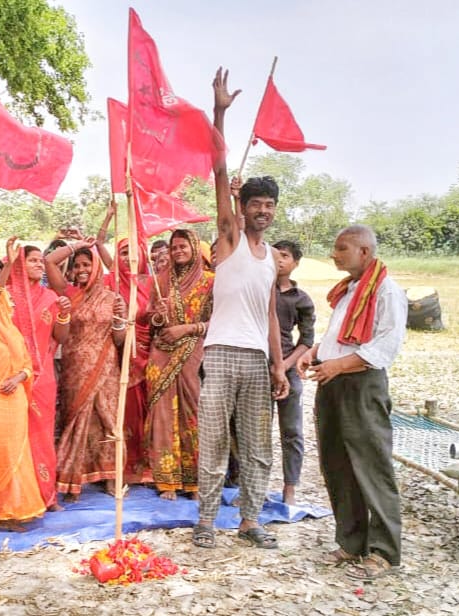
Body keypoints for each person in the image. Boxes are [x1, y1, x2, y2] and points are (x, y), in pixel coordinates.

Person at [193, 68, 289, 550]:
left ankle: (251, 520)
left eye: (269, 205)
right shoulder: (228, 239)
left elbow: (271, 314)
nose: (263, 211)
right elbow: (219, 171)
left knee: (256, 446)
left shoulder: (273, 257)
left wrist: (278, 365)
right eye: (256, 203)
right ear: (243, 207)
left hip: (255, 359)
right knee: (212, 441)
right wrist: (219, 113)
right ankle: (207, 521)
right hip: (221, 353)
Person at [298, 225, 406, 582]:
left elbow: (385, 347)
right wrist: (315, 353)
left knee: (371, 465)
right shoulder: (349, 292)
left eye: (341, 248)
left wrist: (338, 365)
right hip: (332, 382)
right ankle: (351, 541)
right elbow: (340, 336)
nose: (334, 254)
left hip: (360, 385)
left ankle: (385, 551)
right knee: (338, 463)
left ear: (364, 251)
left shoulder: (387, 291)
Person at [44, 238, 128, 501]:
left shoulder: (113, 297)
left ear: (95, 267)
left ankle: (112, 478)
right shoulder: (67, 293)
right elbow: (49, 261)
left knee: (107, 421)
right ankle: (73, 480)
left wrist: (120, 318)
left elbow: (120, 340)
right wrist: (78, 244)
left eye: (86, 264)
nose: (81, 269)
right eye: (77, 265)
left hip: (106, 368)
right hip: (75, 370)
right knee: (75, 423)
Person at [0, 237, 47, 533]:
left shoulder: (14, 333)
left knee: (17, 455)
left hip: (14, 397)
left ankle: (15, 512)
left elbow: (28, 366)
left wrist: (18, 378)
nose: (9, 301)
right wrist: (7, 264)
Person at [143, 229, 214, 500]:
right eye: (174, 248)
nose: (178, 251)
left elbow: (218, 321)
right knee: (162, 415)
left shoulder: (210, 282)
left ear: (195, 248)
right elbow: (151, 322)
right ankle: (167, 482)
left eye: (183, 246)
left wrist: (187, 329)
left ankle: (195, 482)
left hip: (193, 352)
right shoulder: (160, 281)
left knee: (192, 412)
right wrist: (157, 316)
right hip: (161, 354)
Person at [8, 243, 70, 511]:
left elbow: (61, 337)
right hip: (11, 374)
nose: (38, 264)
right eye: (32, 260)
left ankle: (48, 495)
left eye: (39, 261)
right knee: (13, 436)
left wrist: (65, 314)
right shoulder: (5, 297)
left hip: (42, 375)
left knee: (42, 435)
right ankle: (19, 500)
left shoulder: (51, 298)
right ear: (19, 264)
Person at [96, 204, 153, 484]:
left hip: (147, 353)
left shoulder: (152, 283)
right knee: (123, 410)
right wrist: (107, 218)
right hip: (118, 355)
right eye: (123, 252)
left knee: (149, 411)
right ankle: (122, 468)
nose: (128, 256)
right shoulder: (111, 281)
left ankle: (148, 467)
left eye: (133, 251)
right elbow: (97, 244)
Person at [272, 239, 316, 506]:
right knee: (254, 430)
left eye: (285, 256)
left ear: (296, 263)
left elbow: (307, 340)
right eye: (275, 255)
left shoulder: (302, 300)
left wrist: (284, 366)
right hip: (258, 367)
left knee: (291, 431)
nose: (279, 260)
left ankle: (290, 487)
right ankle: (251, 485)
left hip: (288, 368)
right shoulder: (259, 290)